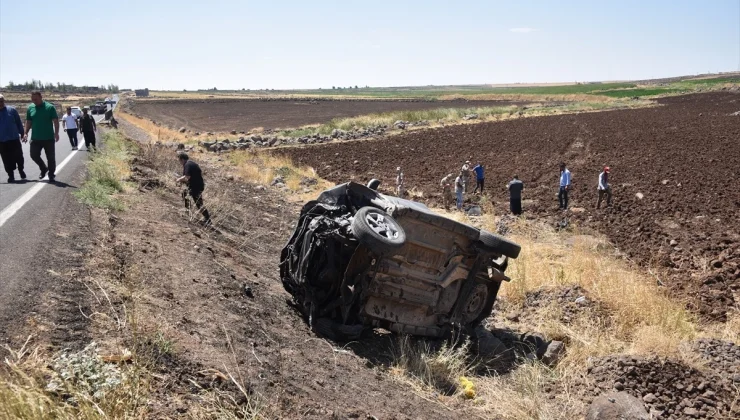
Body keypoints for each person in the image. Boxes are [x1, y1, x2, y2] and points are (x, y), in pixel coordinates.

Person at [23, 91, 59, 182]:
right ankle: (43, 168)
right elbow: (28, 121)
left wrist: (56, 133)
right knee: (33, 155)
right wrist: (25, 133)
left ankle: (51, 174)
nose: (34, 101)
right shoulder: (30, 108)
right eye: (32, 99)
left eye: (36, 99)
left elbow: (55, 121)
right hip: (35, 138)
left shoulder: (50, 107)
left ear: (41, 97)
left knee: (50, 158)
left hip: (48, 138)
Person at [176, 152, 211, 224]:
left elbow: (187, 177)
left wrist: (179, 180)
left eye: (179, 160)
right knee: (185, 194)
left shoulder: (187, 165)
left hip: (196, 186)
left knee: (198, 203)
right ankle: (188, 211)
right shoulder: (191, 163)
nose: (179, 162)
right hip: (197, 185)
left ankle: (207, 220)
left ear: (182, 159)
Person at [0, 94, 26, 182]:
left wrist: (22, 133)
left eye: (1, 101)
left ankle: (21, 170)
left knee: (19, 157)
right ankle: (11, 175)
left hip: (14, 139)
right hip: (2, 141)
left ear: (4, 101)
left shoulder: (12, 110)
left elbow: (19, 122)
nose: (0, 103)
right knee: (6, 159)